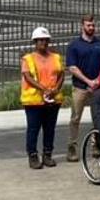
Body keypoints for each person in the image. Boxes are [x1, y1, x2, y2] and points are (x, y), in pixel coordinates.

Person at [65, 14, 100, 162]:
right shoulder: (74, 45)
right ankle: (72, 148)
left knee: (98, 118)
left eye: (93, 25)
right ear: (82, 26)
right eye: (88, 25)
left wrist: (97, 81)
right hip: (80, 88)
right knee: (75, 118)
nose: (91, 28)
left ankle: (96, 145)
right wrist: (88, 81)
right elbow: (72, 67)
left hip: (97, 88)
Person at [20, 27, 64, 169]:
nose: (43, 43)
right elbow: (27, 76)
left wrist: (56, 88)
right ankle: (32, 155)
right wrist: (44, 89)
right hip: (34, 101)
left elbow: (61, 74)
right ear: (35, 41)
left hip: (52, 99)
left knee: (50, 128)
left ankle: (47, 154)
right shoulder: (28, 59)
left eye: (45, 40)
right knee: (33, 129)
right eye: (40, 40)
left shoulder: (56, 57)